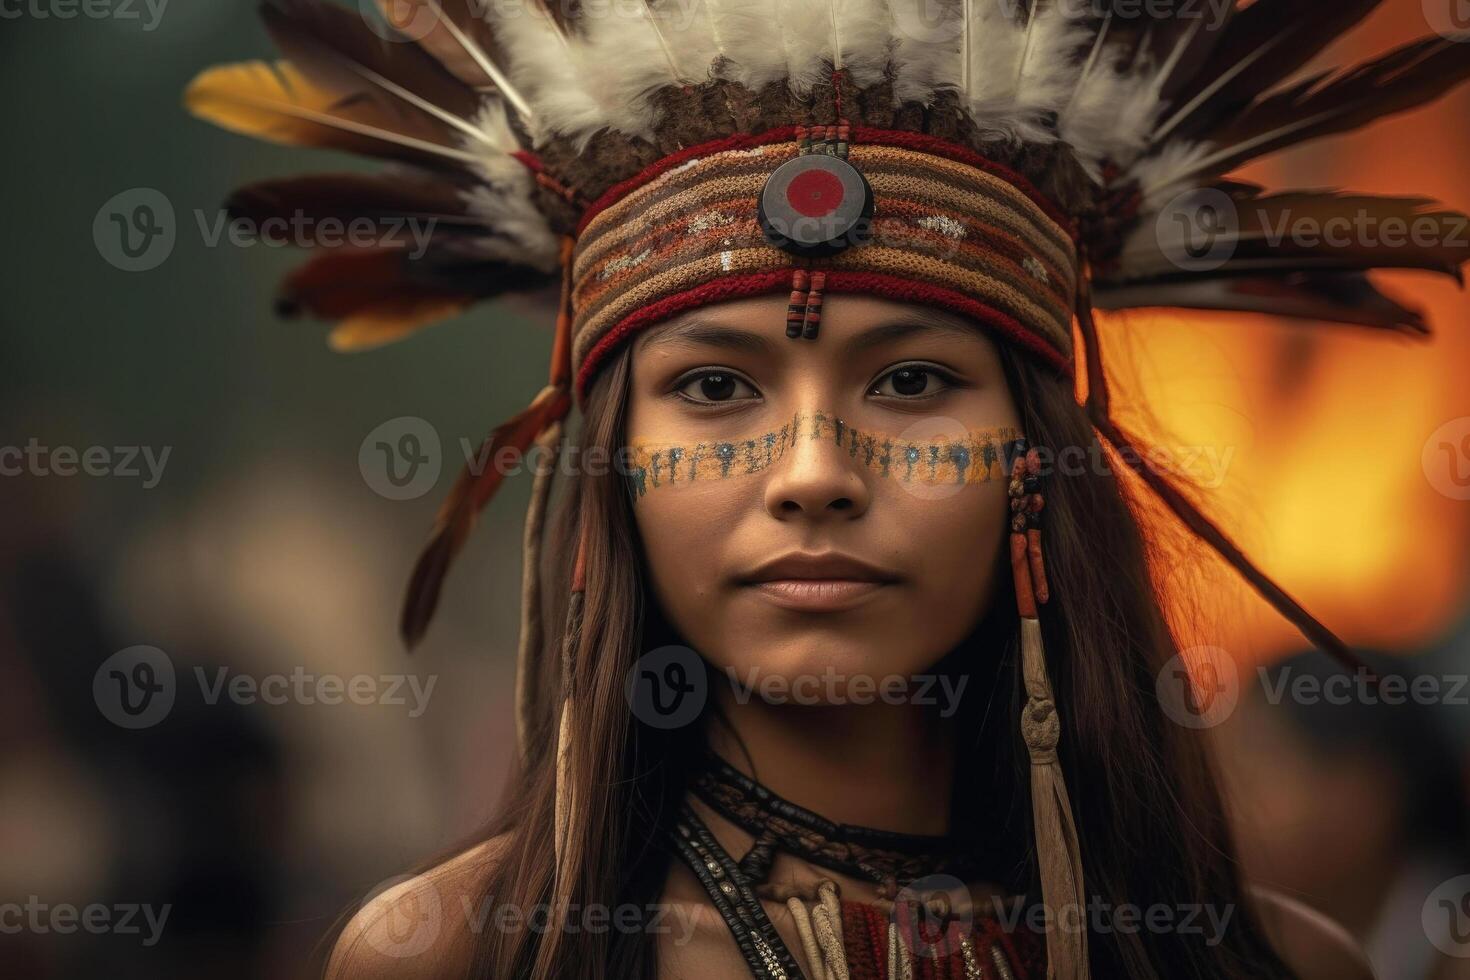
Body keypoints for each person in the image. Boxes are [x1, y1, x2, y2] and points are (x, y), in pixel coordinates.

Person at [185, 1, 1470, 976]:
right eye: (715, 389)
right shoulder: (455, 952)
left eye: (910, 383)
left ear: (1037, 463)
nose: (811, 472)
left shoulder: (1272, 961)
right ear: (613, 472)